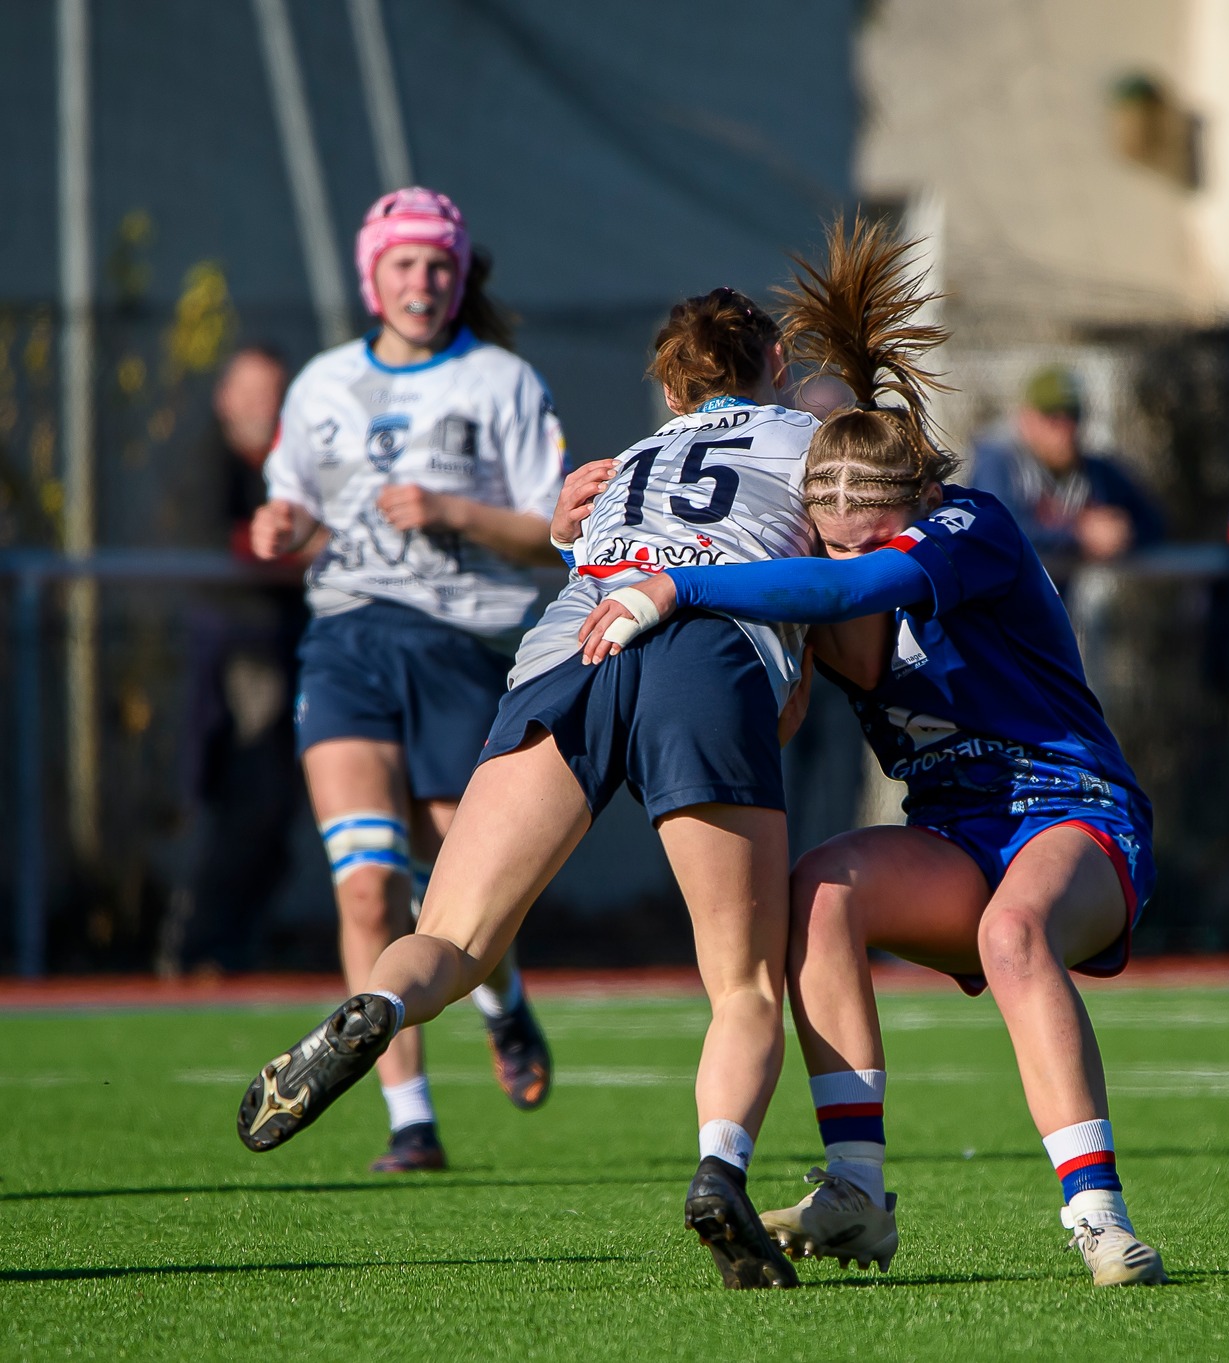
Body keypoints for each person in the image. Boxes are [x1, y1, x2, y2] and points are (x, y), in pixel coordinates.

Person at [588, 217, 1168, 1287]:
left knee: (1012, 932)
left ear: (911, 499)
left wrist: (678, 582)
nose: (844, 539)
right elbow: (794, 702)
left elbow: (856, 586)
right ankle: (855, 1189)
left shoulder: (968, 525)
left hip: (1071, 808)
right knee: (816, 894)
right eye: (826, 524)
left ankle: (1096, 1215)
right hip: (952, 829)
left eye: (866, 520)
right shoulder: (825, 573)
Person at [238, 277, 821, 1290]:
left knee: (455, 939)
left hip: (569, 652)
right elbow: (836, 591)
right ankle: (718, 1171)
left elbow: (569, 539)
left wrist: (564, 532)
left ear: (672, 391)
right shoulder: (812, 446)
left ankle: (375, 999)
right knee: (743, 982)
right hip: (700, 648)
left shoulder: (625, 463)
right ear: (774, 366)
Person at [247, 189, 560, 1171]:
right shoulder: (322, 384)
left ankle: (503, 1002)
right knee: (368, 886)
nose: (422, 281)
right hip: (346, 642)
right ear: (369, 277)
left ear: (460, 275)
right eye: (403, 264)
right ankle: (409, 1120)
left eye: (438, 265)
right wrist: (281, 527)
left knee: (460, 888)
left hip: (461, 647)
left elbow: (557, 530)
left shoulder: (501, 381)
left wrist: (454, 512)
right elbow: (290, 499)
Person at [163, 346, 307, 976]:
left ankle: (231, 943)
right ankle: (197, 944)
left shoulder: (289, 467)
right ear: (224, 398)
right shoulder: (206, 465)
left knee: (278, 811)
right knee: (241, 800)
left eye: (273, 393)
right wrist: (305, 550)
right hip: (234, 656)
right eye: (249, 392)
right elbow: (229, 545)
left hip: (292, 649)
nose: (262, 407)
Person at [970, 365, 1163, 580]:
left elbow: (1154, 521)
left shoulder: (1092, 470)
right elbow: (999, 531)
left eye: (1073, 417)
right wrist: (1079, 534)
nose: (1065, 429)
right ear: (1027, 418)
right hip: (993, 605)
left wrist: (1122, 533)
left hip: (1055, 608)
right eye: (1052, 417)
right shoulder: (997, 459)